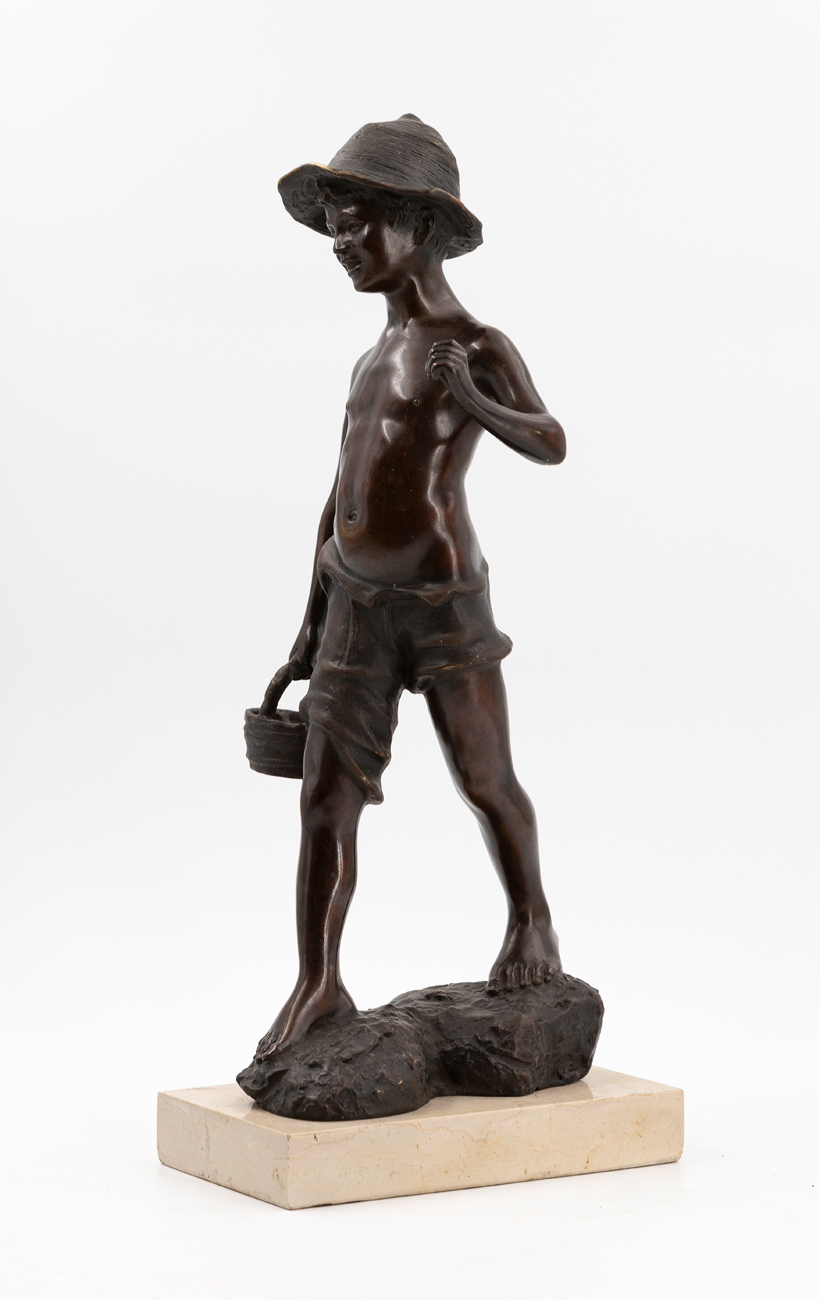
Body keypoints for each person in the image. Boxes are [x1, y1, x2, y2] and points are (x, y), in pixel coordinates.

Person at [257, 114, 566, 1058]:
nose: (340, 240)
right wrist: (308, 627)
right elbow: (340, 494)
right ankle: (318, 984)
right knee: (324, 799)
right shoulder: (370, 359)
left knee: (485, 778)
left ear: (421, 225)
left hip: (443, 605)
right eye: (334, 224)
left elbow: (551, 440)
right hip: (354, 605)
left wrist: (471, 396)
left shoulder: (473, 342)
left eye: (356, 221)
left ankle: (532, 921)